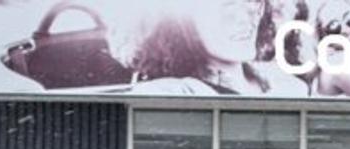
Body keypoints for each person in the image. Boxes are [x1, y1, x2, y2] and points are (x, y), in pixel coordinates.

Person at [111, 0, 308, 97]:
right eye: (225, 6)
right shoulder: (170, 93)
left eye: (251, 0)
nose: (243, 18)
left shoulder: (287, 83)